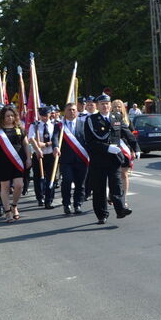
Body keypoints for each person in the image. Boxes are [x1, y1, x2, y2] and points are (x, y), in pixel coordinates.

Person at [82, 93, 132, 225]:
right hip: (98, 160)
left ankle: (121, 209)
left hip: (114, 159)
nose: (105, 106)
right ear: (98, 106)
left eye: (107, 103)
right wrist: (107, 148)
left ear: (110, 105)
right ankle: (101, 214)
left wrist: (136, 147)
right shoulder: (91, 120)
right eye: (102, 104)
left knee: (116, 184)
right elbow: (90, 142)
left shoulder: (116, 117)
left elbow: (126, 132)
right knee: (99, 189)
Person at [0, 105, 31, 222]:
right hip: (2, 162)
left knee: (19, 185)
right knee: (5, 187)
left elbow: (26, 144)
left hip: (18, 162)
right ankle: (7, 211)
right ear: (2, 117)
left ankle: (14, 205)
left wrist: (28, 158)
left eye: (12, 115)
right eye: (7, 116)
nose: (10, 118)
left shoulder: (20, 128)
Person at [52, 102, 89, 215]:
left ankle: (77, 204)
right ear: (65, 112)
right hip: (66, 160)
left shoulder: (83, 124)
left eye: (74, 110)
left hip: (81, 159)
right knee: (67, 181)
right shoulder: (59, 125)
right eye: (69, 110)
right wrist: (56, 147)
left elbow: (88, 140)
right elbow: (55, 137)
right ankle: (66, 204)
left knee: (80, 183)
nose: (72, 112)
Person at [28, 106, 57, 209]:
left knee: (51, 177)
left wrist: (45, 144)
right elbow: (31, 138)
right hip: (38, 154)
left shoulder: (55, 125)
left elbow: (56, 139)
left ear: (50, 114)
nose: (45, 117)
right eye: (42, 115)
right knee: (38, 177)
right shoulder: (34, 126)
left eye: (46, 115)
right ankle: (40, 197)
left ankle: (49, 200)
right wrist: (38, 148)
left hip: (51, 154)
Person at [110, 99, 139, 196]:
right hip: (114, 149)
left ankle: (124, 197)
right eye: (115, 106)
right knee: (114, 174)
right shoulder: (109, 119)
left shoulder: (127, 120)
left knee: (124, 174)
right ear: (111, 108)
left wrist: (133, 150)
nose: (117, 108)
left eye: (119, 106)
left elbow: (131, 137)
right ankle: (112, 193)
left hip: (125, 149)